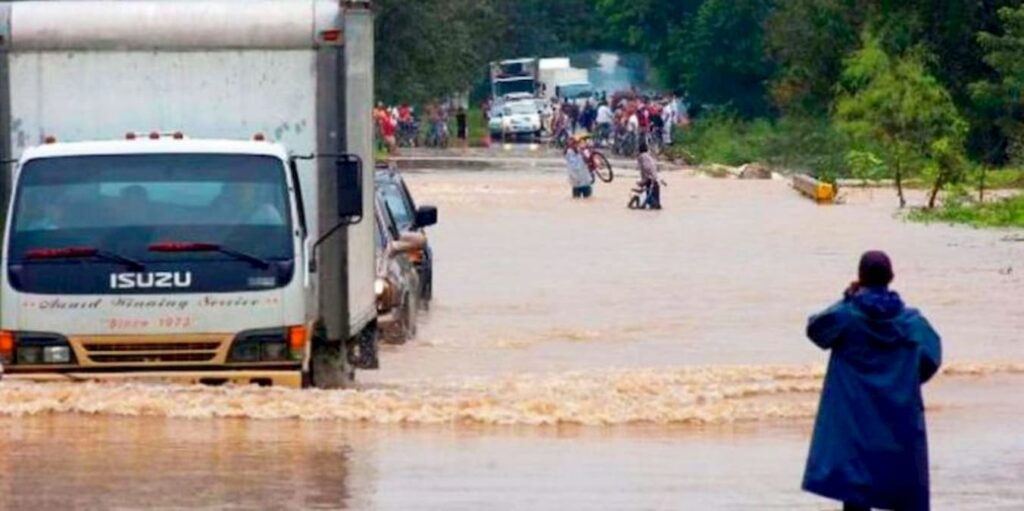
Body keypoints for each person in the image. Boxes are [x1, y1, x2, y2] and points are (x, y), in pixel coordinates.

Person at [803, 251, 942, 511]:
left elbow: (816, 329)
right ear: (891, 277)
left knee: (856, 492)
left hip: (856, 417)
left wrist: (846, 298)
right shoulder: (912, 322)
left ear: (860, 277)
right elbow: (931, 359)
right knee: (903, 486)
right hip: (898, 415)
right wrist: (902, 381)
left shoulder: (848, 315)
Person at [636, 142, 661, 209]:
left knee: (651, 198)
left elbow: (646, 168)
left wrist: (644, 180)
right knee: (655, 200)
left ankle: (648, 204)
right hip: (654, 179)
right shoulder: (649, 156)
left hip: (650, 179)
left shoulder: (642, 157)